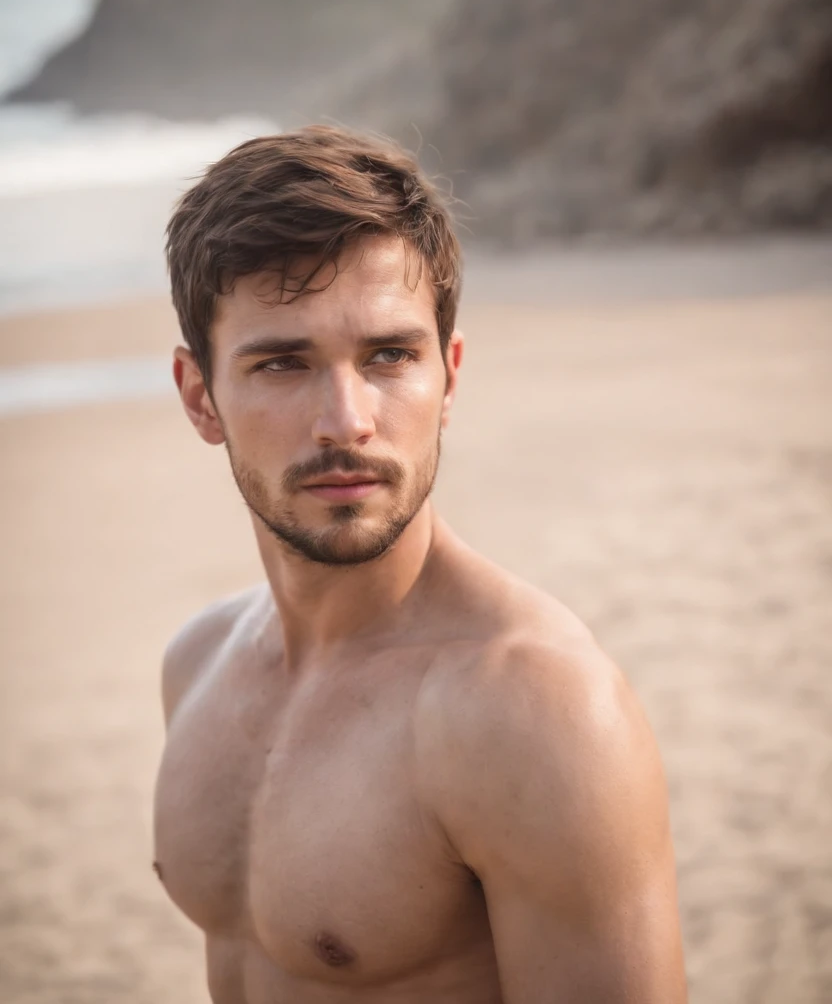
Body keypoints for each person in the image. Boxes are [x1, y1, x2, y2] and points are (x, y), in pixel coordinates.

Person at [155, 124, 687, 1003]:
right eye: (283, 363)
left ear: (450, 374)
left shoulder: (532, 709)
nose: (347, 420)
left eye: (389, 356)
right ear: (199, 396)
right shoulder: (197, 663)